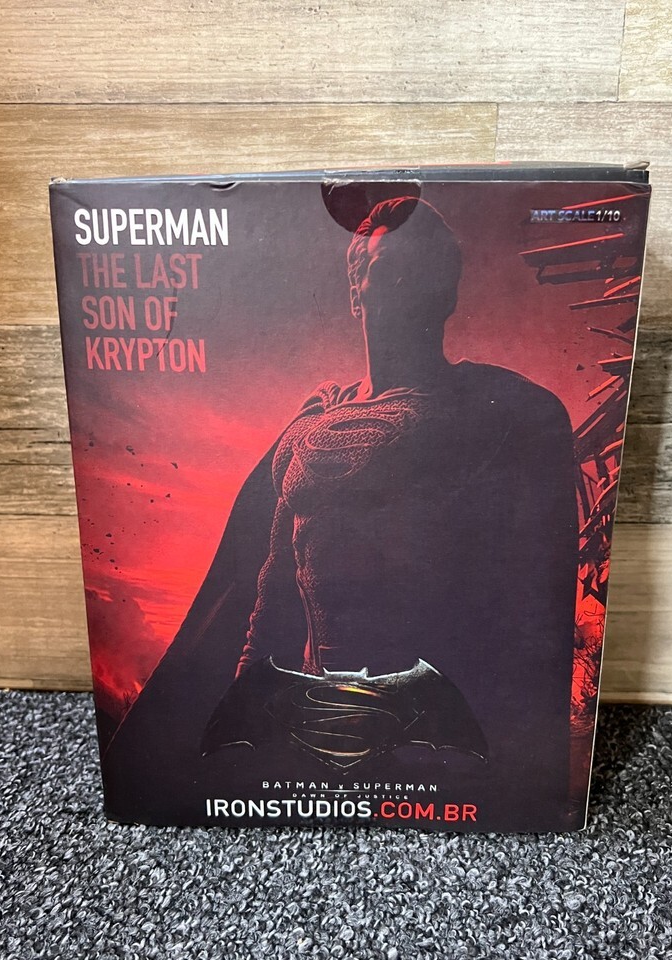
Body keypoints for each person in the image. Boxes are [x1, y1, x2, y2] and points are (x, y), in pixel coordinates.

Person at [101, 196, 580, 830]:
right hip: (310, 704)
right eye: (387, 268)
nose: (406, 284)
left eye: (425, 270)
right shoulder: (309, 430)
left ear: (447, 294)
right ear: (357, 290)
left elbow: (528, 598)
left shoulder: (495, 412)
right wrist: (244, 699)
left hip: (429, 714)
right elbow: (271, 583)